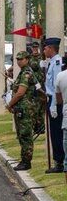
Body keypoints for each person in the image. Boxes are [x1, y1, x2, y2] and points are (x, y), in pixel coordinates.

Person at [7, 50, 40, 171]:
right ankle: (24, 159)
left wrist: (10, 104)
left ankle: (26, 161)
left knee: (25, 135)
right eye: (17, 59)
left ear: (27, 59)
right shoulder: (23, 72)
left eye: (21, 59)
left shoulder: (26, 73)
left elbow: (20, 92)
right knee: (22, 135)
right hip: (22, 107)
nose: (19, 61)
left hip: (25, 108)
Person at [44, 38, 64, 173]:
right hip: (51, 99)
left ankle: (60, 162)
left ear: (51, 48)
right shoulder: (51, 62)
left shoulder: (57, 63)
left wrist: (54, 104)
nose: (44, 51)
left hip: (55, 101)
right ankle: (59, 160)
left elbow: (57, 86)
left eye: (45, 48)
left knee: (57, 132)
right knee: (54, 131)